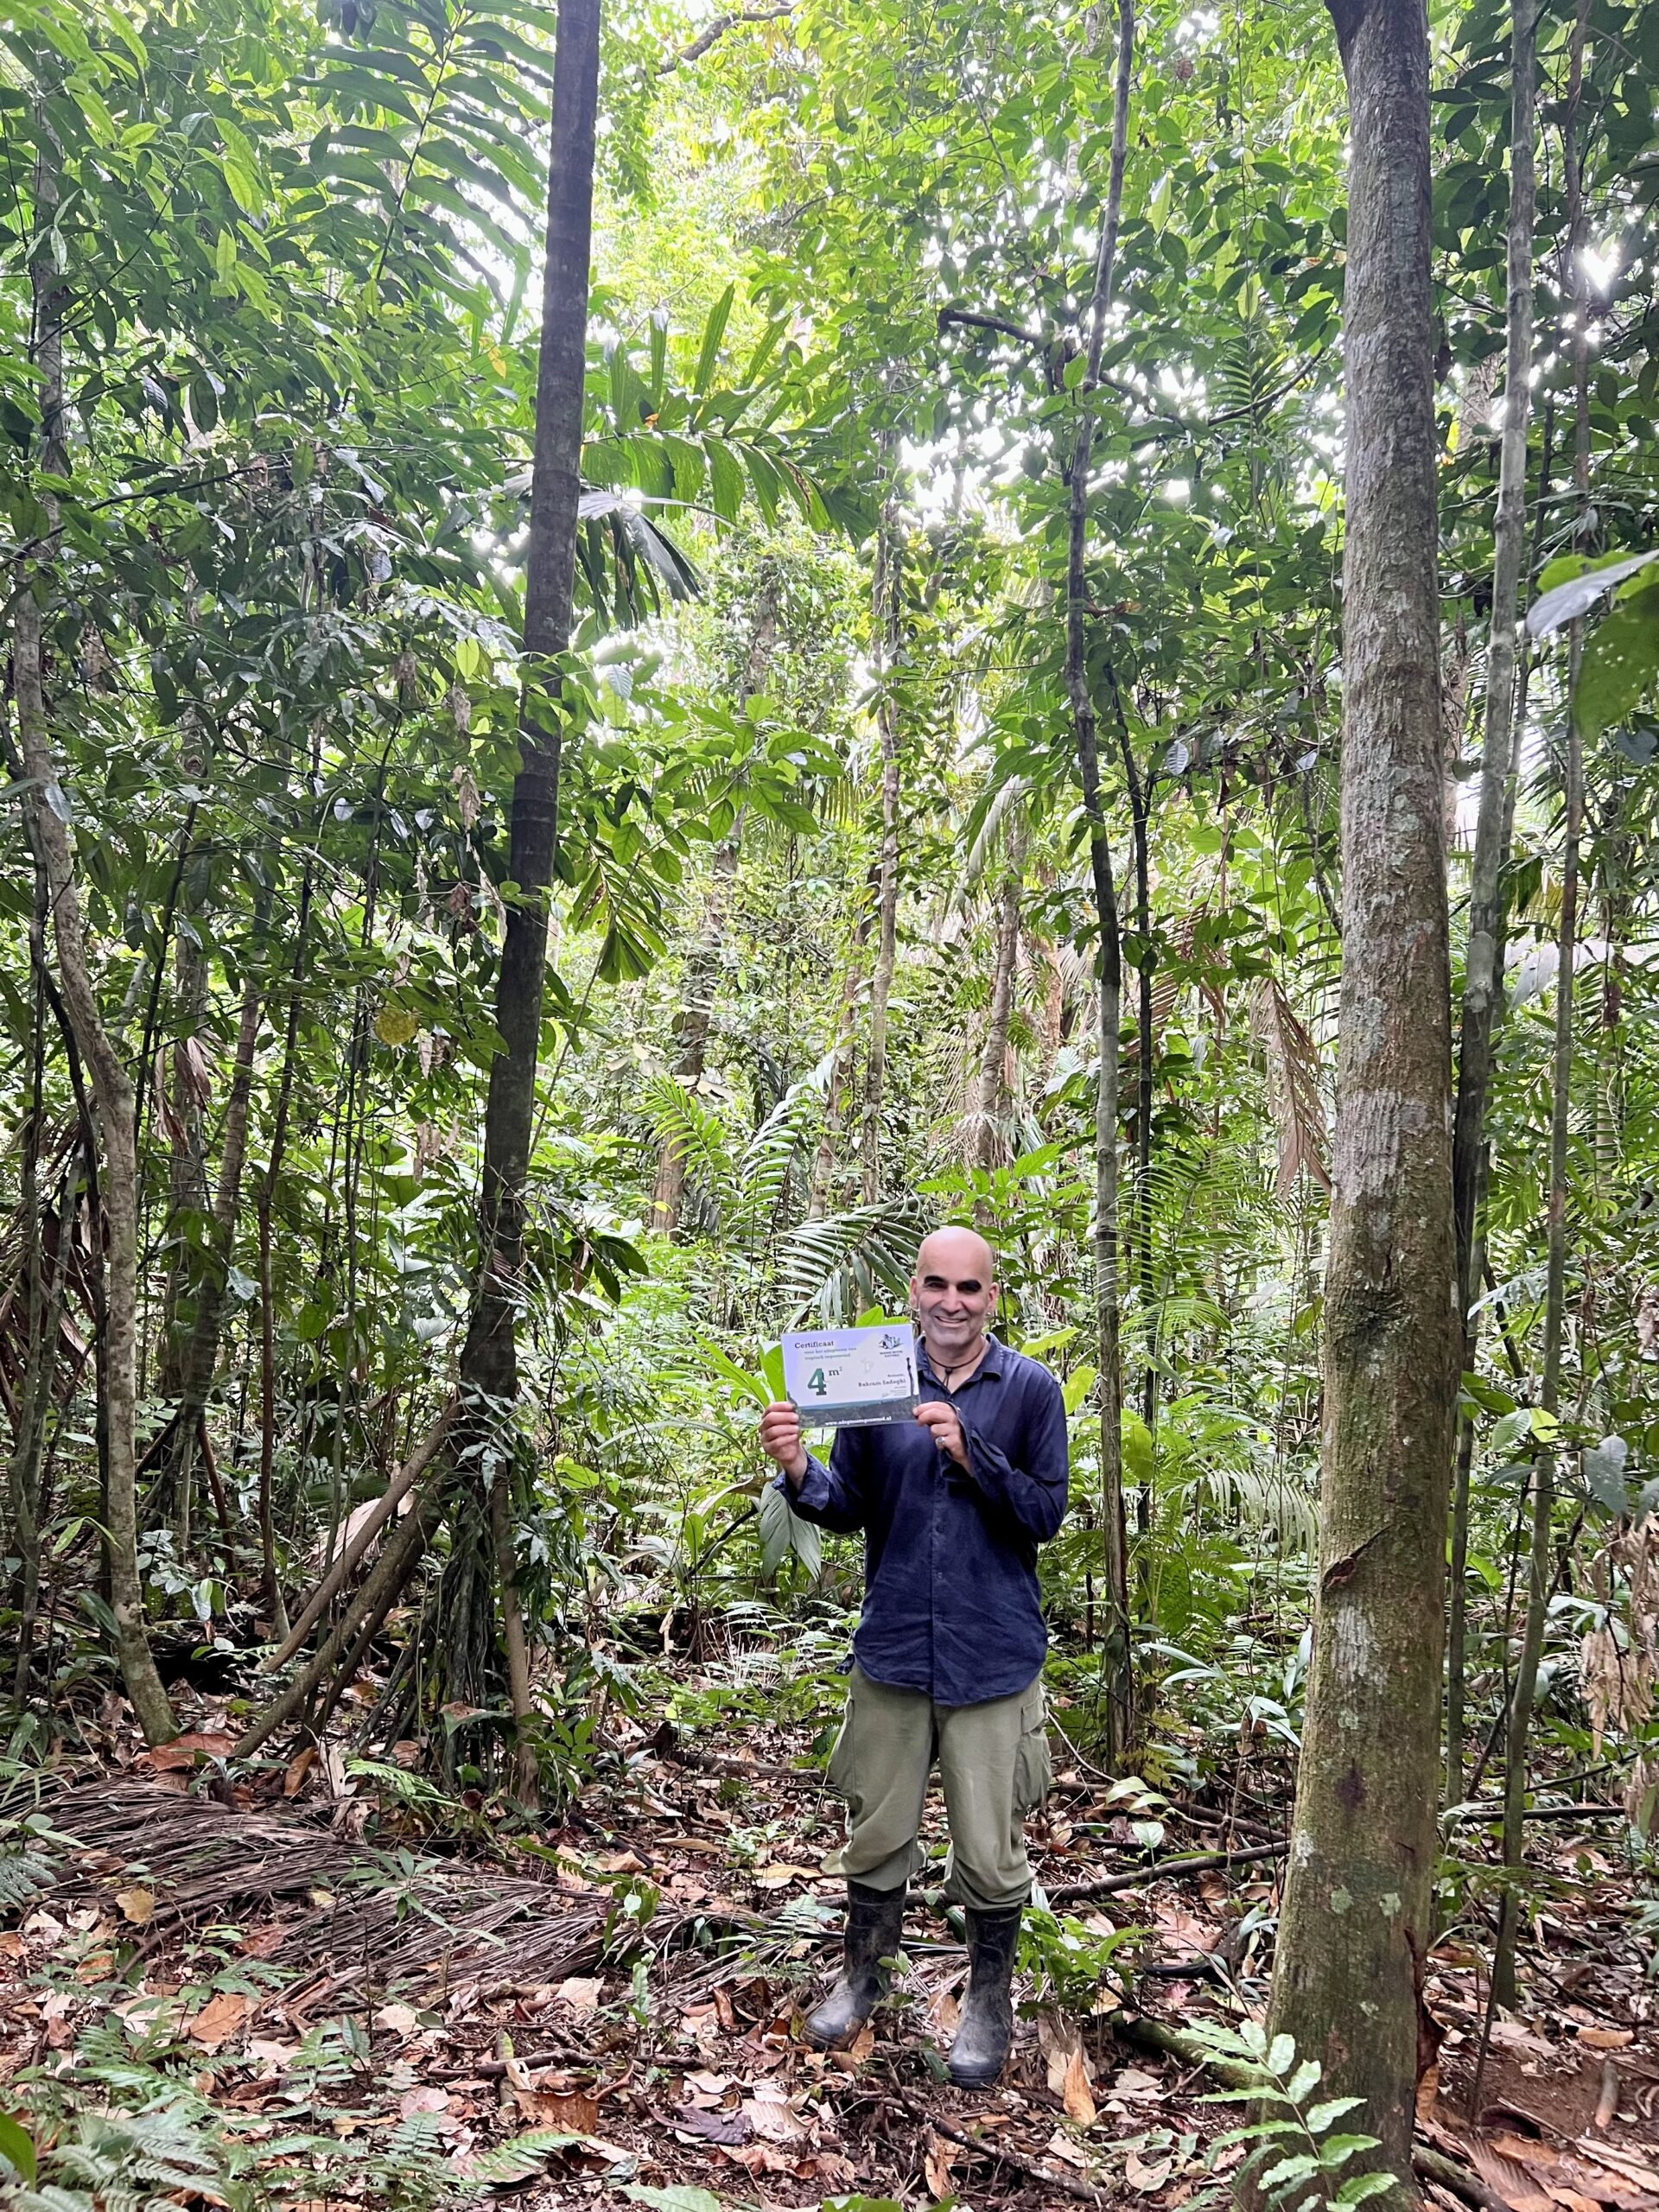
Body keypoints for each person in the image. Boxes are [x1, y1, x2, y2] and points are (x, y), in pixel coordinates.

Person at [758, 1225, 1068, 2088]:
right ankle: (861, 1979)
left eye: (970, 1288)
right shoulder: (876, 1378)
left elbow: (1046, 1513)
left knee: (989, 1848)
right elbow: (848, 1501)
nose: (952, 1302)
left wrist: (976, 1453)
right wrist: (796, 1469)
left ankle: (988, 2002)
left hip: (992, 1652)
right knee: (879, 1830)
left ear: (993, 1297)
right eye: (937, 1284)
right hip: (894, 1644)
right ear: (914, 1289)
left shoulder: (1030, 1389)